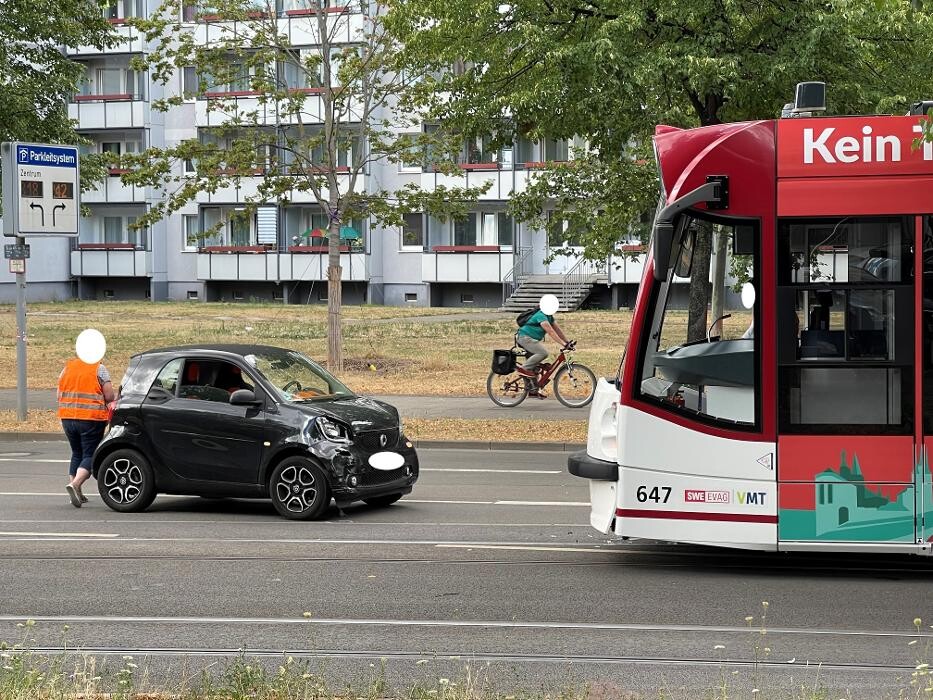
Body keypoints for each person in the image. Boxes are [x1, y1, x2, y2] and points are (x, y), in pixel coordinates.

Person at [58, 347, 115, 508]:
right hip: (91, 419)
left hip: (67, 417)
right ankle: (75, 484)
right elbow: (109, 395)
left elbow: (58, 394)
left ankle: (76, 492)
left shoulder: (67, 368)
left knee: (77, 452)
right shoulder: (99, 369)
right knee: (90, 454)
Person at [516, 294, 571, 399]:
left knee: (536, 367)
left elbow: (557, 330)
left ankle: (533, 390)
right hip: (524, 338)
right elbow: (550, 331)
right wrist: (563, 344)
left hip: (530, 339)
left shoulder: (549, 316)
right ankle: (523, 369)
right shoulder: (540, 315)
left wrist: (567, 342)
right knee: (543, 353)